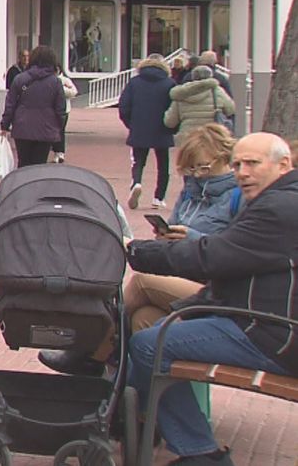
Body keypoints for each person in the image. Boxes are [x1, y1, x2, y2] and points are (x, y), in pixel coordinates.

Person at [124, 133, 298, 465]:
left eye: (252, 163)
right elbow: (231, 263)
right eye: (237, 165)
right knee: (148, 321)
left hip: (274, 333)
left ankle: (199, 452)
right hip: (259, 319)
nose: (242, 173)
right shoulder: (277, 200)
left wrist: (135, 250)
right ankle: (128, 404)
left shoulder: (281, 207)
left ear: (283, 165)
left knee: (150, 344)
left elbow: (213, 257)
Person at [39, 125, 241, 377]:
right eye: (190, 169)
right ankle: (129, 387)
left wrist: (194, 238)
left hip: (212, 285)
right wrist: (167, 237)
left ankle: (90, 350)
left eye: (203, 167)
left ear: (224, 159)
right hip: (182, 271)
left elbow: (232, 250)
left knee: (141, 284)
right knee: (144, 318)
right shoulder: (190, 193)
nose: (197, 175)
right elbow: (177, 231)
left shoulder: (237, 197)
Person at [119, 54, 176, 210]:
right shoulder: (169, 83)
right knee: (163, 164)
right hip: (162, 128)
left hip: (139, 127)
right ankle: (159, 197)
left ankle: (136, 183)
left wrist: (131, 124)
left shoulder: (134, 82)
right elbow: (175, 108)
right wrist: (172, 127)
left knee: (138, 161)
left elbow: (124, 106)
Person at [0, 45, 65, 167]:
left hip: (22, 127)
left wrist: (5, 125)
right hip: (46, 128)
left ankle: (22, 179)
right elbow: (61, 109)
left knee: (23, 162)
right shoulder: (55, 82)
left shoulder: (20, 79)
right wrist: (58, 127)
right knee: (39, 164)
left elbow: (10, 104)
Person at [164, 65, 235, 147]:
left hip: (187, 139)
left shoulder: (181, 94)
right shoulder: (217, 90)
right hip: (212, 136)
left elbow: (170, 122)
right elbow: (231, 110)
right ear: (210, 76)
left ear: (193, 77)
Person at [52, 66, 79, 164]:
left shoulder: (65, 80)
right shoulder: (50, 81)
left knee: (60, 131)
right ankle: (56, 151)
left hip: (64, 110)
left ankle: (60, 152)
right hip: (52, 110)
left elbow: (74, 92)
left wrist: (61, 90)